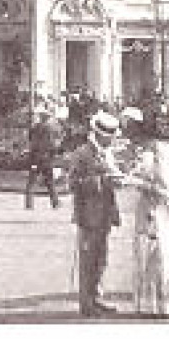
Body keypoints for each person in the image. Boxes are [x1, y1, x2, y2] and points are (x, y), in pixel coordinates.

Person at [118, 108, 169, 318]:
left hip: (161, 210)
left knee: (161, 256)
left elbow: (163, 186)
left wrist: (133, 181)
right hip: (149, 207)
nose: (129, 138)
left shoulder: (161, 152)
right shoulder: (147, 151)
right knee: (149, 256)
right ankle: (152, 304)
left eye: (132, 132)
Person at [68, 110, 125, 317]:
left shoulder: (107, 153)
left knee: (101, 258)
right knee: (88, 259)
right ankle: (87, 303)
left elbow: (113, 173)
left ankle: (97, 297)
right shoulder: (82, 153)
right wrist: (101, 181)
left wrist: (117, 178)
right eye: (108, 137)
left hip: (105, 213)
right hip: (88, 214)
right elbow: (73, 183)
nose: (111, 141)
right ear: (98, 134)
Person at [25, 105, 66, 210]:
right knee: (49, 181)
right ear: (46, 118)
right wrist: (53, 154)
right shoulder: (49, 130)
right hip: (46, 159)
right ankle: (55, 203)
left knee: (31, 181)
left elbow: (31, 142)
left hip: (35, 158)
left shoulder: (34, 128)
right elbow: (52, 145)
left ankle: (29, 204)